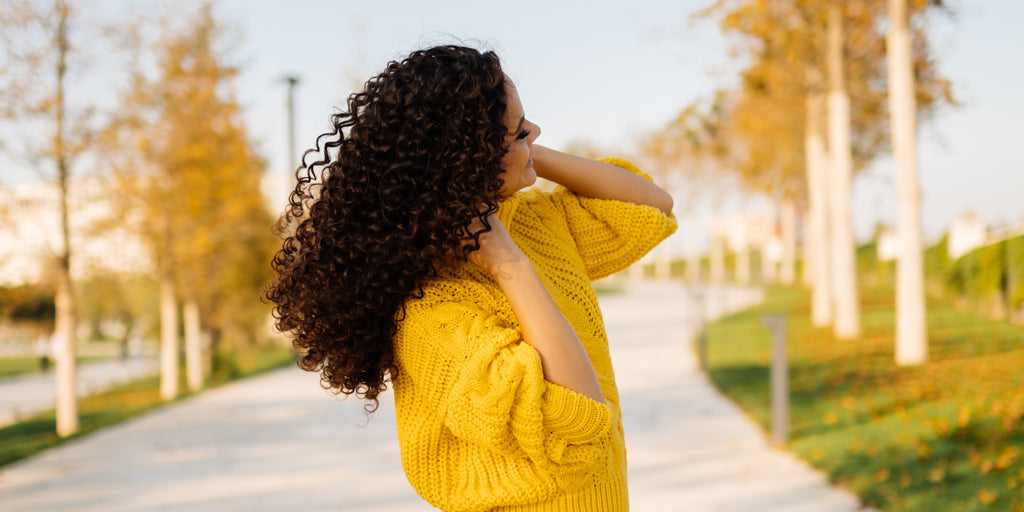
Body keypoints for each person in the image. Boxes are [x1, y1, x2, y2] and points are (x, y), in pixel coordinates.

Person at [265, 45, 676, 512]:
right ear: (472, 158)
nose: (536, 132)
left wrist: (524, 151)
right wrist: (509, 264)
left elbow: (650, 207)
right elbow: (573, 418)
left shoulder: (533, 223)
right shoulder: (430, 313)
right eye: (520, 131)